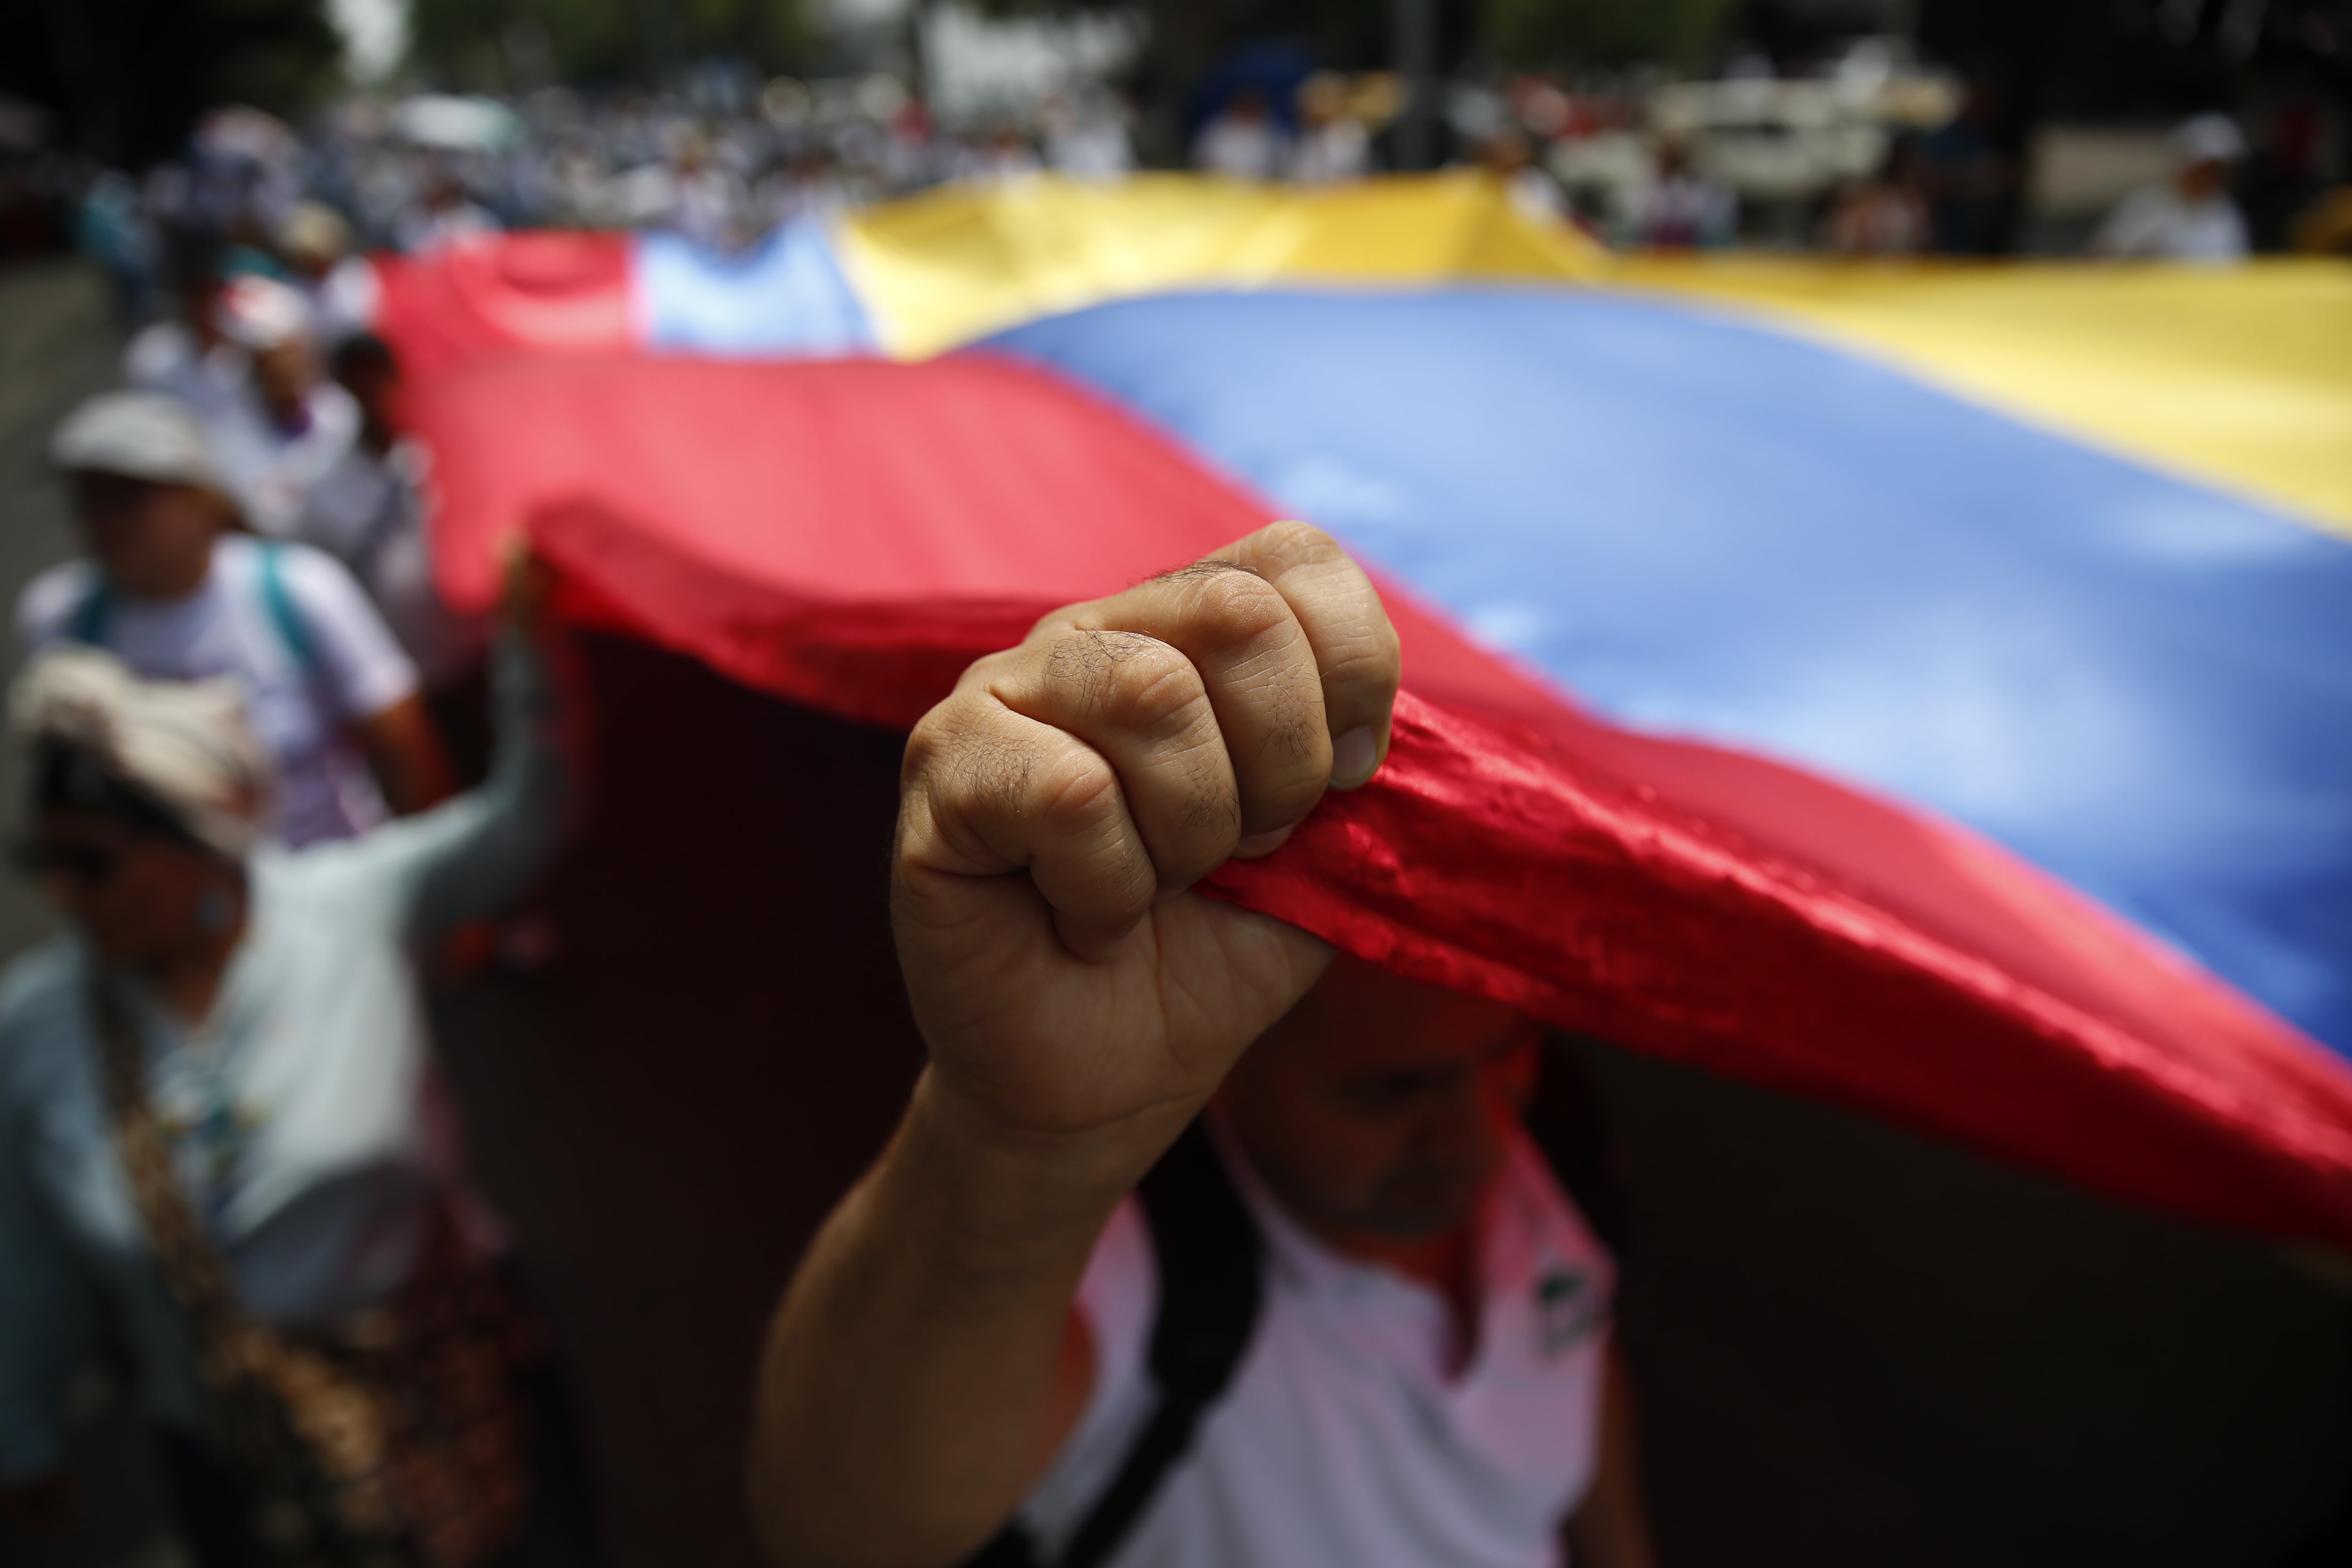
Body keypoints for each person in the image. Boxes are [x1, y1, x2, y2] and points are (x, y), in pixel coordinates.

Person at [749, 523, 1659, 1568]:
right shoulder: (1142, 1274)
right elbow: (844, 1532)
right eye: (1385, 1092)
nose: (1475, 1132)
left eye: (1506, 1052)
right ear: (1228, 1080)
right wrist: (1014, 1146)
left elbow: (1572, 1367)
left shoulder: (1553, 1155)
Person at [0, 550, 590, 1568]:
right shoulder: (35, 1030)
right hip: (244, 1456)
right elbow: (30, 1253)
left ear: (202, 844)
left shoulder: (346, 908)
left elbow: (526, 818)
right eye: (41, 862)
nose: (67, 892)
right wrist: (23, 1434)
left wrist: (531, 654)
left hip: (464, 1378)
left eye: (93, 861)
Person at [18, 390, 452, 847]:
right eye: (88, 502)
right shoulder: (60, 621)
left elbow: (404, 750)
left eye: (128, 500)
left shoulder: (299, 588)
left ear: (199, 498)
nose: (103, 522)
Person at [300, 334, 481, 695]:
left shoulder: (452, 450)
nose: (372, 387)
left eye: (378, 374)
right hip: (409, 673)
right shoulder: (325, 488)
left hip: (479, 651)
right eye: (359, 377)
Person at [199, 273, 362, 541]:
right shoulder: (227, 444)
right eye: (270, 360)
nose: (285, 368)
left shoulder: (342, 412)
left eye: (292, 353)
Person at [2090, 113, 2250, 263]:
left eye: (2221, 170)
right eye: (2208, 169)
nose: (2214, 177)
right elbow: (2100, 259)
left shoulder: (2227, 214)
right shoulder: (2148, 207)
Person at [1289, 74, 1370, 185]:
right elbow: (1298, 171)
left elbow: (1343, 173)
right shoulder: (1305, 131)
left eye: (1323, 99)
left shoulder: (1351, 130)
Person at [1194, 87, 1287, 182]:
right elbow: (1201, 159)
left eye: (1254, 104)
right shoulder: (1217, 126)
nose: (1249, 107)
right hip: (1217, 185)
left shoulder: (1273, 131)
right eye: (1246, 103)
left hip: (1259, 190)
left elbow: (1280, 168)